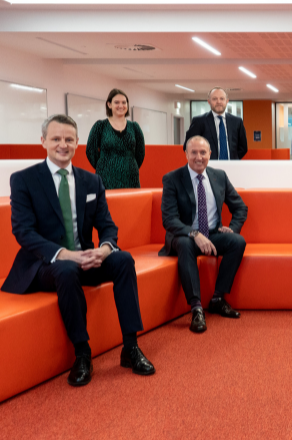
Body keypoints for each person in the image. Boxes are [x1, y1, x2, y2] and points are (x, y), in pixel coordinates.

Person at [1, 114, 155, 387]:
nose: (63, 144)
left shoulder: (91, 181)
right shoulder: (24, 180)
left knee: (123, 260)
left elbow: (108, 225)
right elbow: (23, 232)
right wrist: (65, 254)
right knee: (67, 267)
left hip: (85, 258)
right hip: (44, 266)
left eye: (69, 139)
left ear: (77, 143)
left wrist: (105, 249)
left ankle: (130, 347)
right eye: (56, 138)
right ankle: (82, 354)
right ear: (43, 141)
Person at [159, 136, 248, 333]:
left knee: (237, 241)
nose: (198, 157)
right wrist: (194, 233)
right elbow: (169, 219)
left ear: (210, 154)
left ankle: (217, 298)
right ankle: (196, 308)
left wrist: (232, 227)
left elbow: (240, 207)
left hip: (212, 234)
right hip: (184, 236)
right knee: (185, 243)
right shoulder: (172, 178)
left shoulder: (219, 176)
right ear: (186, 154)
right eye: (194, 152)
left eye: (203, 153)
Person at [86, 89, 145, 189]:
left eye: (124, 102)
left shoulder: (134, 127)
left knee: (131, 203)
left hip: (131, 176)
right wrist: (103, 165)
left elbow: (140, 153)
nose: (121, 106)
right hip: (106, 177)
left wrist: (129, 165)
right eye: (116, 102)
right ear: (109, 104)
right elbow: (90, 151)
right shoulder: (100, 126)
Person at [184, 87, 248, 160]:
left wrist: (234, 159)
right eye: (214, 99)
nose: (218, 102)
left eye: (222, 99)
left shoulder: (237, 121)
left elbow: (243, 147)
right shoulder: (199, 121)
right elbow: (188, 145)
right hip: (207, 166)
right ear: (209, 101)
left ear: (227, 101)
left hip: (231, 166)